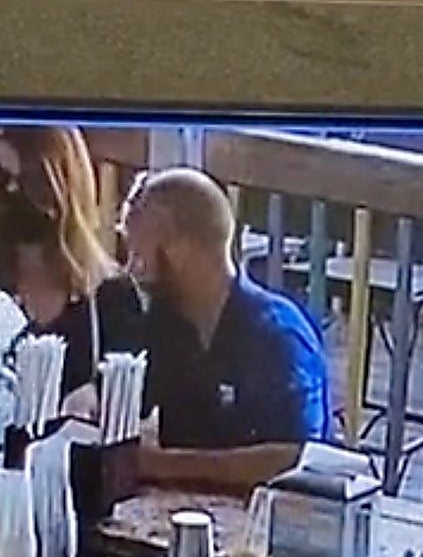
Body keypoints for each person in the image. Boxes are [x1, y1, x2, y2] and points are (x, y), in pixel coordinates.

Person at [118, 167, 334, 492]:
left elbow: (297, 457)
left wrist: (162, 463)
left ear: (181, 249)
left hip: (269, 523)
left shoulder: (276, 335)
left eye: (139, 255)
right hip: (183, 513)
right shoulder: (165, 323)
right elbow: (125, 395)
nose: (133, 270)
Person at [0, 124, 143, 397]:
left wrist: (95, 400)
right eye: (0, 176)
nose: (13, 190)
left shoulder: (108, 293)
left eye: (31, 181)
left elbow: (129, 396)